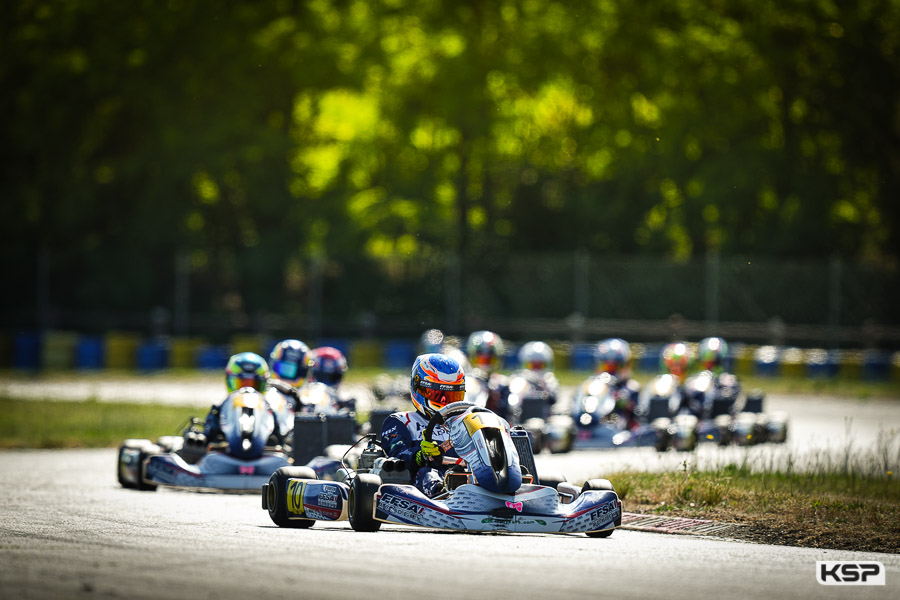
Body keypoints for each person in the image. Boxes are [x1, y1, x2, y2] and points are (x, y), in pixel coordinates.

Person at [379, 353, 466, 498]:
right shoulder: (401, 420)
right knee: (428, 473)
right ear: (419, 388)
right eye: (438, 395)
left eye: (452, 396)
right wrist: (419, 455)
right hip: (420, 484)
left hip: (466, 476)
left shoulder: (465, 423)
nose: (445, 402)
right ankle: (441, 493)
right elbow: (397, 454)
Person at [203, 351, 271, 443]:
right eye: (242, 384)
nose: (247, 390)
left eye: (253, 384)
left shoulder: (269, 410)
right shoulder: (220, 409)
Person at [592, 338, 641, 429]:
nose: (610, 371)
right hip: (595, 421)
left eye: (615, 366)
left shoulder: (631, 387)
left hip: (618, 427)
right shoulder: (594, 386)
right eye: (606, 366)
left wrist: (622, 401)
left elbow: (639, 412)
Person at [465, 330, 508, 416]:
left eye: (489, 357)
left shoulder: (502, 383)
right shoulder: (467, 381)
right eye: (481, 357)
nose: (485, 360)